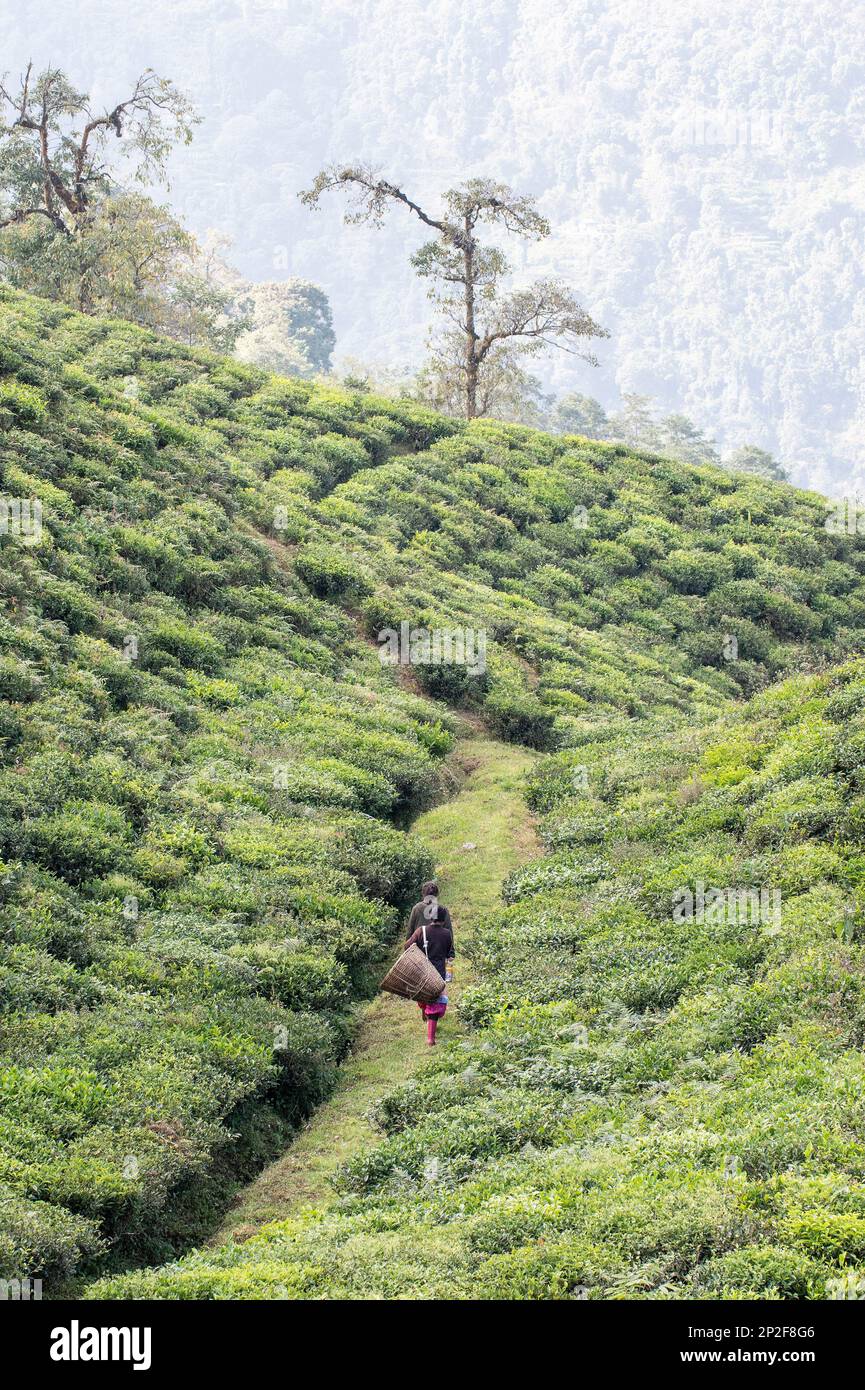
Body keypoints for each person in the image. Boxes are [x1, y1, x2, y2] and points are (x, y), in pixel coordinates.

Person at [404, 905, 454, 1046]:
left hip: (422, 970)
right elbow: (447, 952)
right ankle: (430, 1038)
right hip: (438, 973)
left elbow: (407, 946)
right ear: (443, 920)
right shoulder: (446, 934)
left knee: (426, 998)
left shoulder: (421, 931)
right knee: (436, 1002)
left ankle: (429, 1032)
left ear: (430, 917)